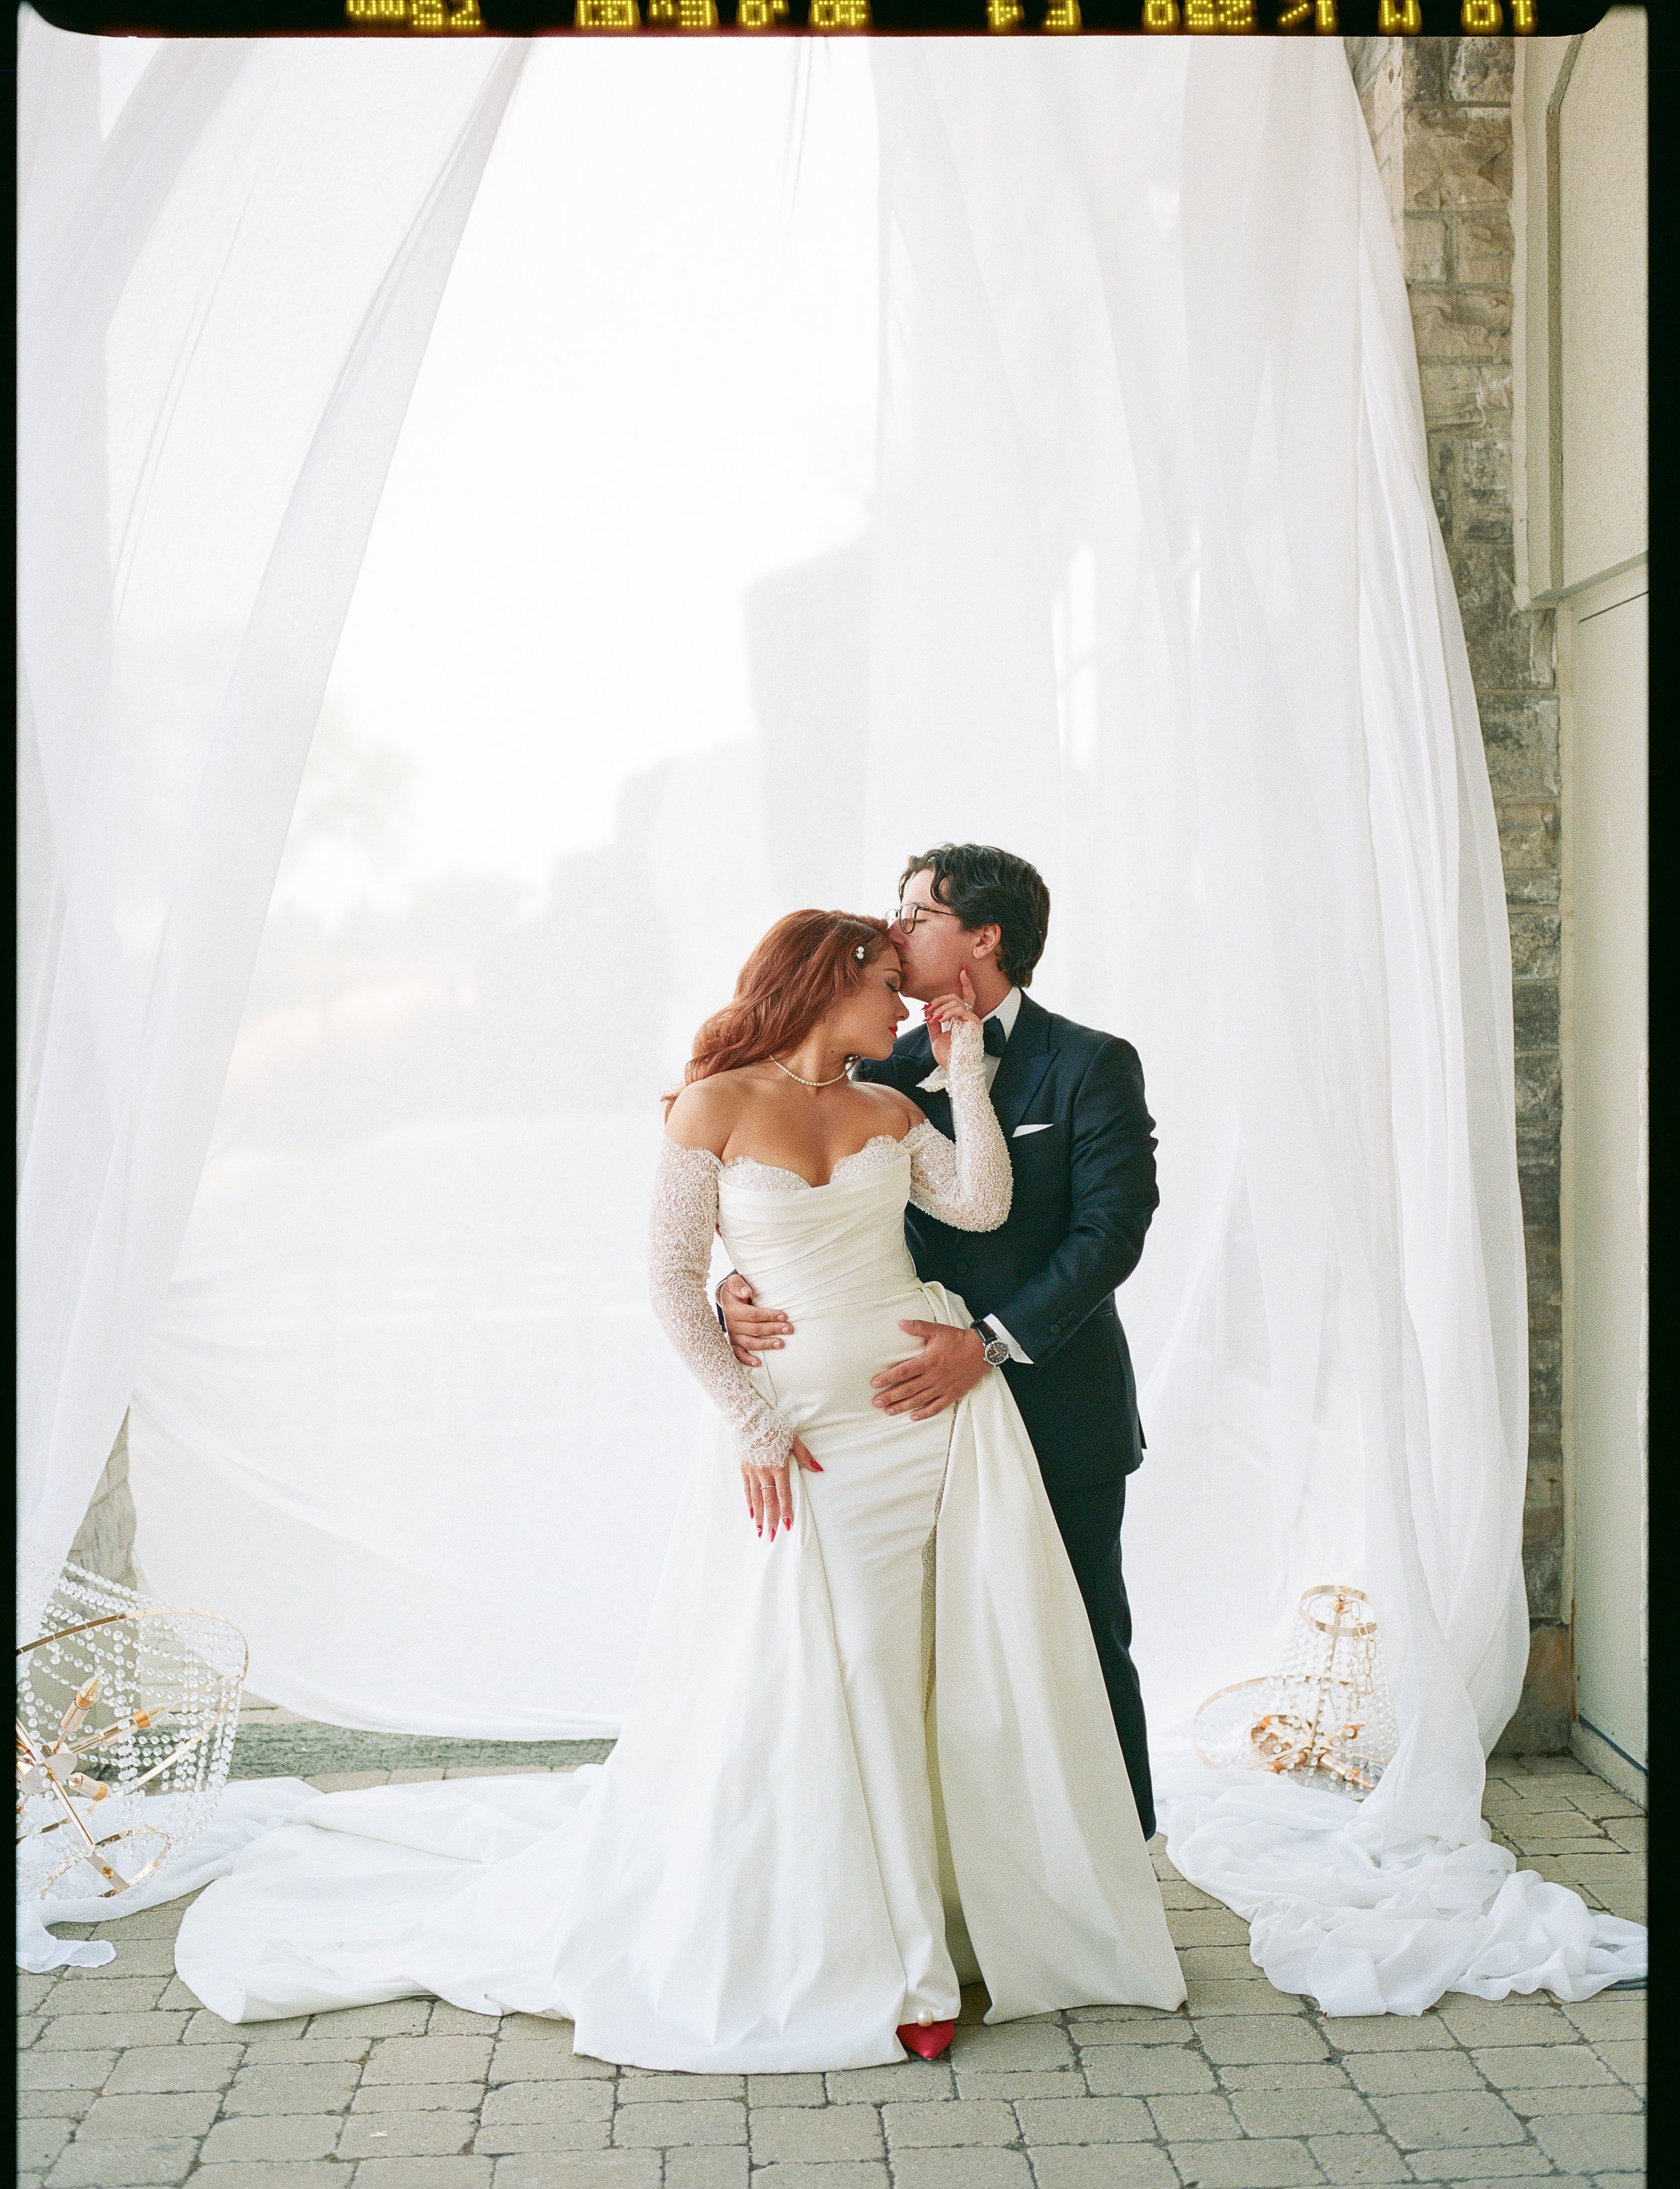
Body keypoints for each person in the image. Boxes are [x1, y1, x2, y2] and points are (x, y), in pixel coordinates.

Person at [175, 909, 1181, 2073]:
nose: (903, 1006)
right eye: (884, 985)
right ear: (825, 981)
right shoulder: (713, 1105)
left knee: (941, 1668)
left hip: (931, 1430)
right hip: (807, 1443)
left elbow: (982, 1206)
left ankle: (950, 1933)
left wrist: (959, 1075)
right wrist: (751, 1419)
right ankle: (890, 1955)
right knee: (850, 1666)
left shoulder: (893, 1104)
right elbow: (666, 1281)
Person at [720, 847, 1161, 1840]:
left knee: (1080, 1632)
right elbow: (788, 1195)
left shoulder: (1092, 1062)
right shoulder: (871, 1062)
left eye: (915, 913)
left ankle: (1120, 1858)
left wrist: (993, 1344)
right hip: (895, 1416)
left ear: (983, 934)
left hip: (1055, 1401)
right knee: (923, 1646)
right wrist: (734, 1284)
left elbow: (1111, 1233)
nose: (896, 929)